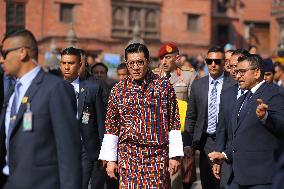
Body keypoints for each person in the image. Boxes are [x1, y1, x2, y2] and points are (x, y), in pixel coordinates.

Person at [0, 29, 81, 189]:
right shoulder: (13, 91)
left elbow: (69, 151)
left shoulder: (55, 88)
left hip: (41, 183)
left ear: (22, 52)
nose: (2, 60)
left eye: (4, 53)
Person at [99, 43, 184, 188]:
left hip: (157, 156)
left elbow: (174, 121)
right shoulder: (118, 90)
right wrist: (111, 159)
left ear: (148, 62)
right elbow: (111, 127)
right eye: (131, 63)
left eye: (140, 62)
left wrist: (175, 156)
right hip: (128, 155)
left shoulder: (163, 87)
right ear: (126, 63)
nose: (136, 67)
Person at [209, 54, 284, 189]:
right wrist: (225, 154)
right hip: (237, 177)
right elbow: (242, 136)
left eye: (242, 72)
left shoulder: (274, 94)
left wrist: (266, 117)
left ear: (256, 73)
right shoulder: (241, 99)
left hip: (261, 179)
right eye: (236, 72)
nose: (237, 76)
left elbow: (281, 126)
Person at [184, 46, 235, 189]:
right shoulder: (198, 85)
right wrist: (189, 141)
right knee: (207, 182)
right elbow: (191, 115)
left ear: (224, 63)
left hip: (226, 140)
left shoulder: (234, 84)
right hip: (205, 140)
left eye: (217, 61)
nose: (213, 64)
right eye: (210, 61)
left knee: (224, 182)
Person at [60, 47, 107, 189]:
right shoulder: (52, 88)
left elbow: (100, 122)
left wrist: (105, 151)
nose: (67, 67)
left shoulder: (92, 89)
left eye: (71, 63)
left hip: (84, 149)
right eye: (64, 63)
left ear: (80, 64)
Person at [157, 43, 197, 189]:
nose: (164, 61)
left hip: (179, 134)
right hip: (157, 133)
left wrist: (189, 139)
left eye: (168, 57)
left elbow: (193, 109)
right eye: (161, 58)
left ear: (177, 58)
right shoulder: (154, 76)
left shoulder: (188, 76)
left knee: (175, 176)